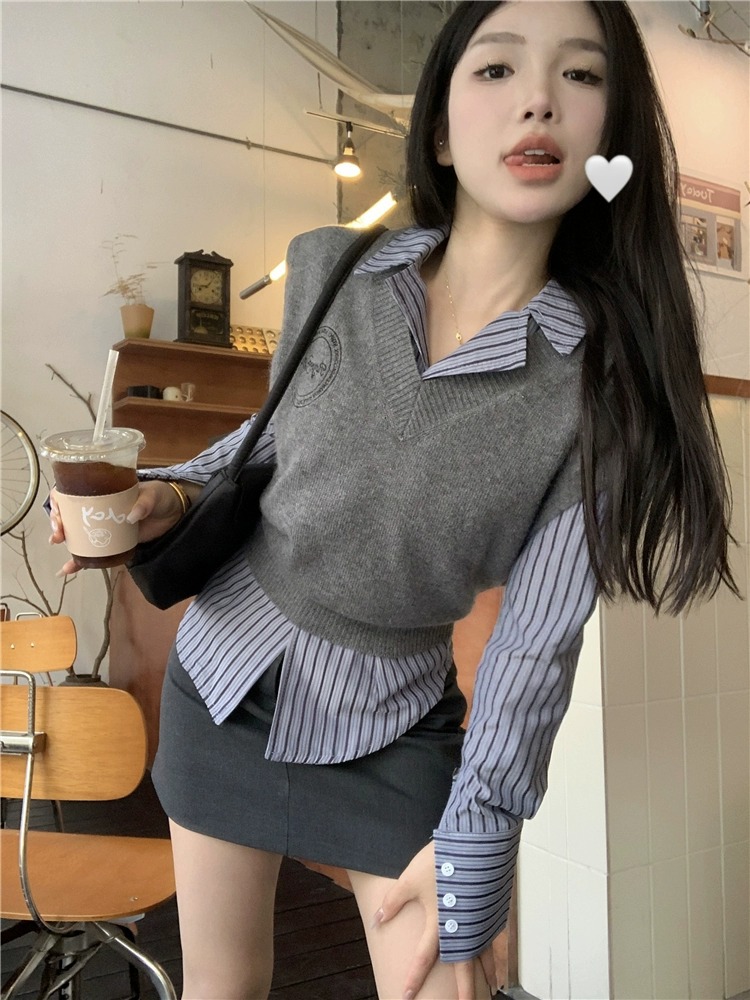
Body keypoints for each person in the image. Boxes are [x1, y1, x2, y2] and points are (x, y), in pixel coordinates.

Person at [51, 2, 739, 998]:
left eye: (581, 75)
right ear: (442, 132)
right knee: (219, 986)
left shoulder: (603, 390)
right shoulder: (333, 269)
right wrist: (172, 491)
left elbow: (534, 646)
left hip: (395, 728)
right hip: (223, 682)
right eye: (497, 69)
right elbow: (274, 440)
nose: (539, 99)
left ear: (610, 139)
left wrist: (478, 844)